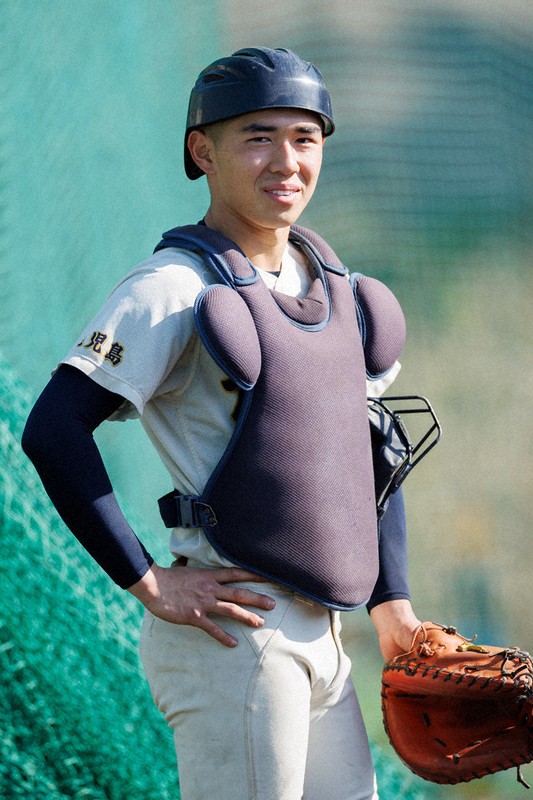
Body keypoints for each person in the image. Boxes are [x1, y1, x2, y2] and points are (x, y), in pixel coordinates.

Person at [22, 47, 422, 800]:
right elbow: (53, 430)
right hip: (232, 633)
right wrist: (147, 583)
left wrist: (393, 608)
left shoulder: (336, 289)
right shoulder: (172, 287)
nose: (286, 161)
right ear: (202, 151)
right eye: (257, 137)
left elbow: (371, 456)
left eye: (305, 139)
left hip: (324, 636)